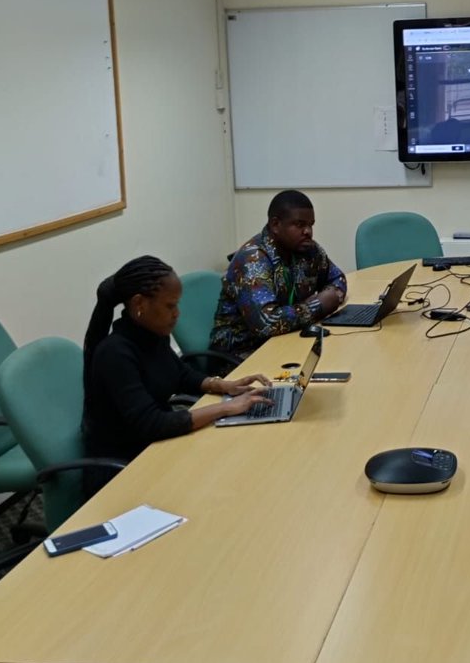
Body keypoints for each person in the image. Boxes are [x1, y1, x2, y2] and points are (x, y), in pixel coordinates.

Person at [82, 256, 271, 493]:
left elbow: (179, 373)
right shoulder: (114, 353)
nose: (177, 314)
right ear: (139, 304)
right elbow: (152, 424)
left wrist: (224, 386)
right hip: (123, 473)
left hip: (157, 448)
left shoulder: (150, 334)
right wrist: (226, 408)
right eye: (170, 306)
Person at [210, 189, 347, 361]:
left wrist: (331, 296)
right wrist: (316, 306)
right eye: (299, 225)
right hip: (242, 356)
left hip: (288, 340)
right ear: (275, 225)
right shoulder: (253, 261)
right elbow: (267, 323)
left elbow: (337, 278)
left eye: (310, 224)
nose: (308, 232)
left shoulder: (307, 249)